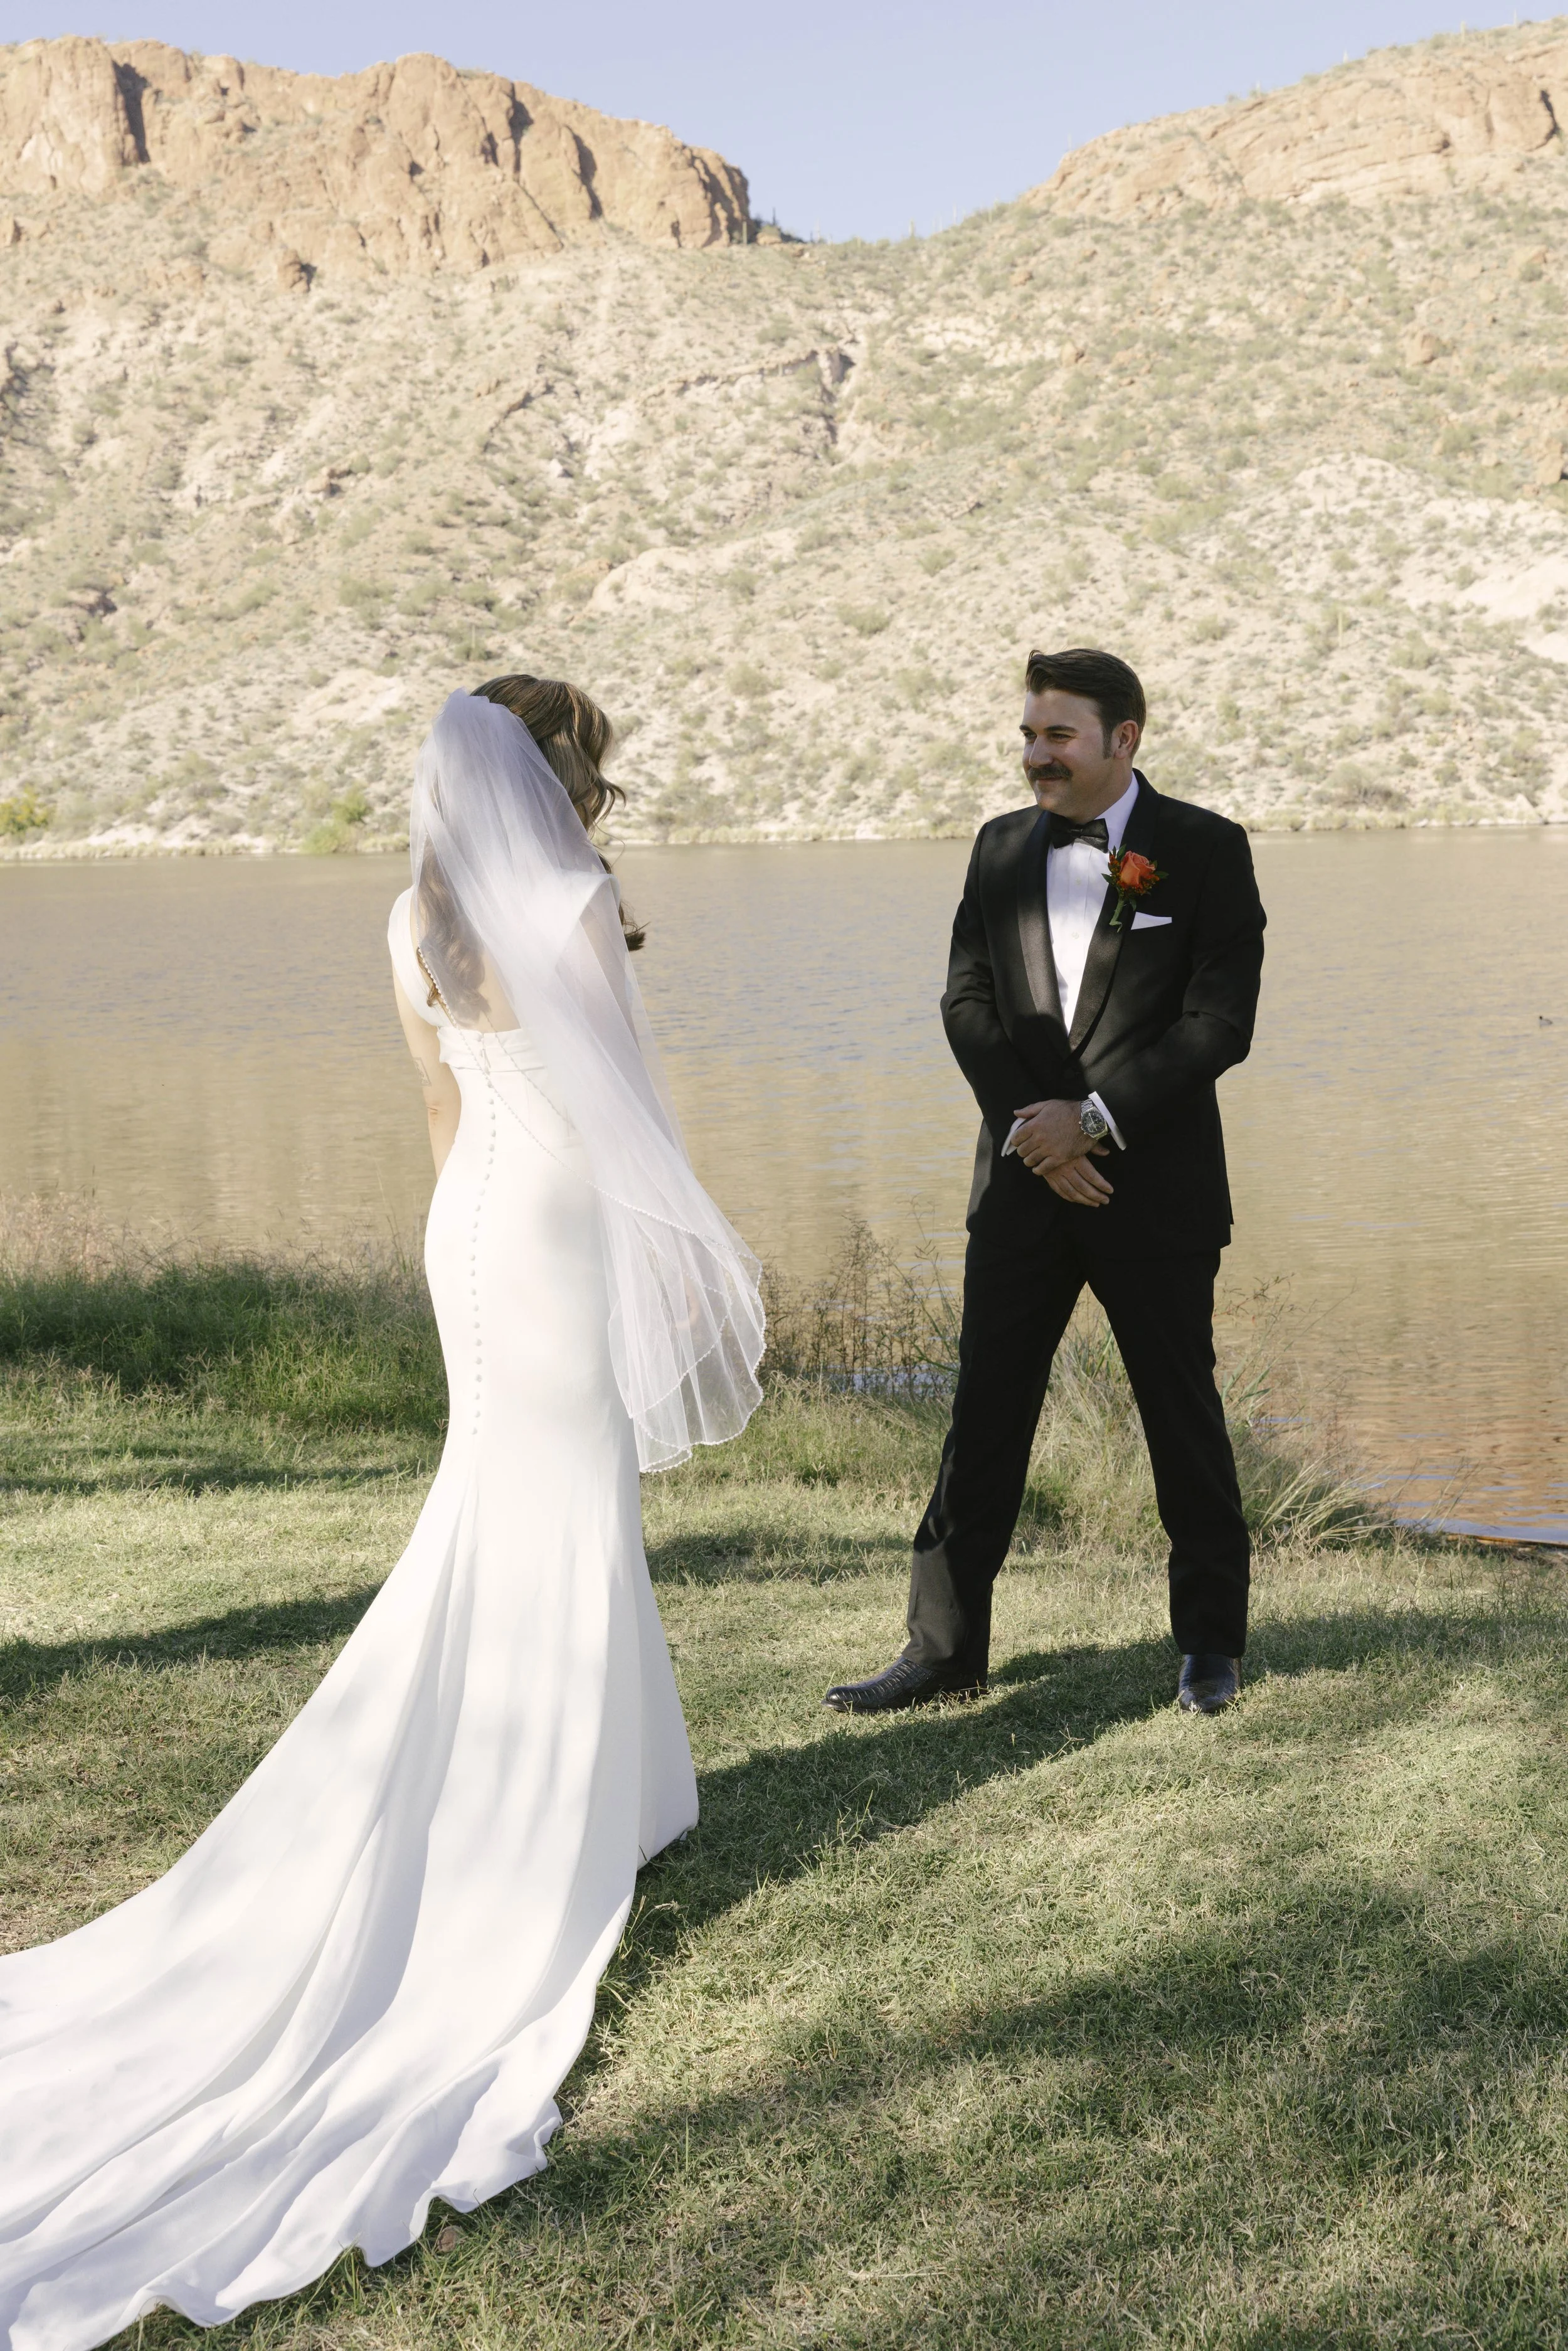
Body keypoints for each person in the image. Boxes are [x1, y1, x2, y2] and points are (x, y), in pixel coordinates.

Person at [0, 679, 765, 2351]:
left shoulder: (411, 916)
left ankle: (626, 1784)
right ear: (563, 779)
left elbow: (439, 1102)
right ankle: (551, 1814)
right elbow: (625, 1102)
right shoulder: (569, 900)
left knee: (509, 1497)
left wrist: (463, 1241)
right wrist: (685, 1257)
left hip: (468, 1225)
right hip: (558, 1221)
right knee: (559, 1505)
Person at [824, 646, 1265, 1721]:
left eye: (1058, 735)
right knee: (983, 1415)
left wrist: (1096, 1122)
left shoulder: (1207, 848)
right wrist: (1044, 1136)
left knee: (1182, 1417)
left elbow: (1219, 1025)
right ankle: (943, 1653)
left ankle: (1210, 1648)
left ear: (1125, 739)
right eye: (1029, 735)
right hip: (1024, 1183)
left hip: (1154, 1193)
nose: (1037, 756)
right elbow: (966, 1001)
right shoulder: (998, 847)